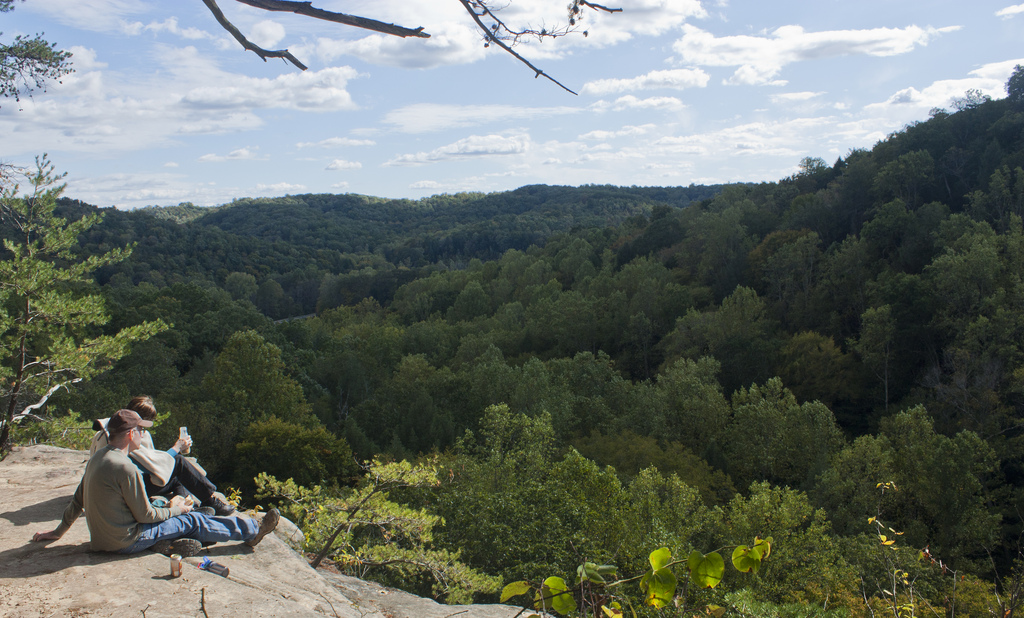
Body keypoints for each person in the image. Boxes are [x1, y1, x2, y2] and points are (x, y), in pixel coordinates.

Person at [32, 409, 279, 557]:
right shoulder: (125, 467)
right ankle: (252, 530)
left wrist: (57, 532)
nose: (144, 434)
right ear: (130, 434)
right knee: (191, 519)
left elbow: (78, 499)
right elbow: (146, 515)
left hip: (102, 539)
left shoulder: (98, 457)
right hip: (126, 540)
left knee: (166, 506)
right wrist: (179, 510)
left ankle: (165, 542)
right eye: (141, 430)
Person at [91, 396, 235, 516]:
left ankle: (186, 506)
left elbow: (151, 463)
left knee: (178, 476)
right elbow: (155, 466)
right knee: (178, 462)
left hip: (113, 485)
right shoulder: (128, 435)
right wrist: (177, 448)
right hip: (126, 488)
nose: (145, 428)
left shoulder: (111, 427)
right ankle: (209, 501)